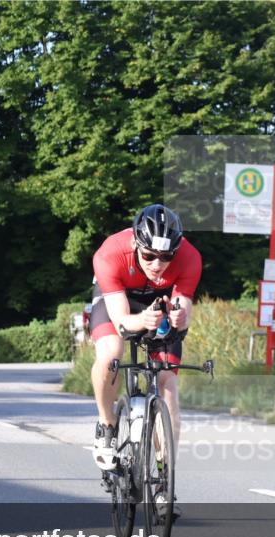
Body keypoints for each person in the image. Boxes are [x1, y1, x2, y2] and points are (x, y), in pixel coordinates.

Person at [89, 204, 201, 516]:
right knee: (111, 353)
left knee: (167, 382)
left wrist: (179, 317)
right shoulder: (110, 253)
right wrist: (142, 320)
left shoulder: (190, 257)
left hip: (159, 302)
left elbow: (184, 308)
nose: (157, 264)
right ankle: (107, 425)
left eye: (166, 257)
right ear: (136, 244)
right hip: (118, 300)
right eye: (149, 255)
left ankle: (164, 483)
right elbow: (122, 322)